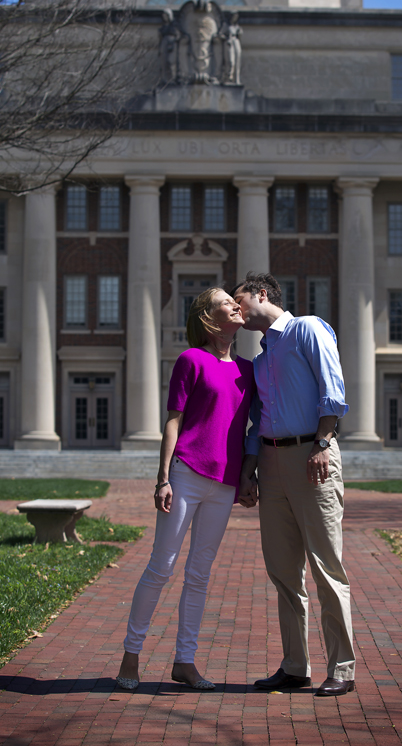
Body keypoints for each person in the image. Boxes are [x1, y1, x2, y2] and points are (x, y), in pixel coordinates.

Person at [116, 288, 256, 691]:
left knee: (199, 574)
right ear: (209, 318)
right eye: (226, 301)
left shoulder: (248, 370)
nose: (236, 303)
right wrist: (162, 478)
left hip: (224, 484)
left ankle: (185, 662)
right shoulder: (191, 360)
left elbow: (248, 430)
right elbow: (173, 421)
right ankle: (131, 655)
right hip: (187, 474)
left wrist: (248, 476)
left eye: (236, 299)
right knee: (162, 566)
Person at [232, 272, 355, 697]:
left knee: (325, 567)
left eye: (239, 299)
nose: (236, 309)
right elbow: (257, 419)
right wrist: (249, 471)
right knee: (284, 572)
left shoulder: (308, 328)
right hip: (270, 460)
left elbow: (332, 389)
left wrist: (323, 440)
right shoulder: (263, 357)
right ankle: (294, 666)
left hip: (312, 455)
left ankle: (341, 668)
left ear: (261, 294)